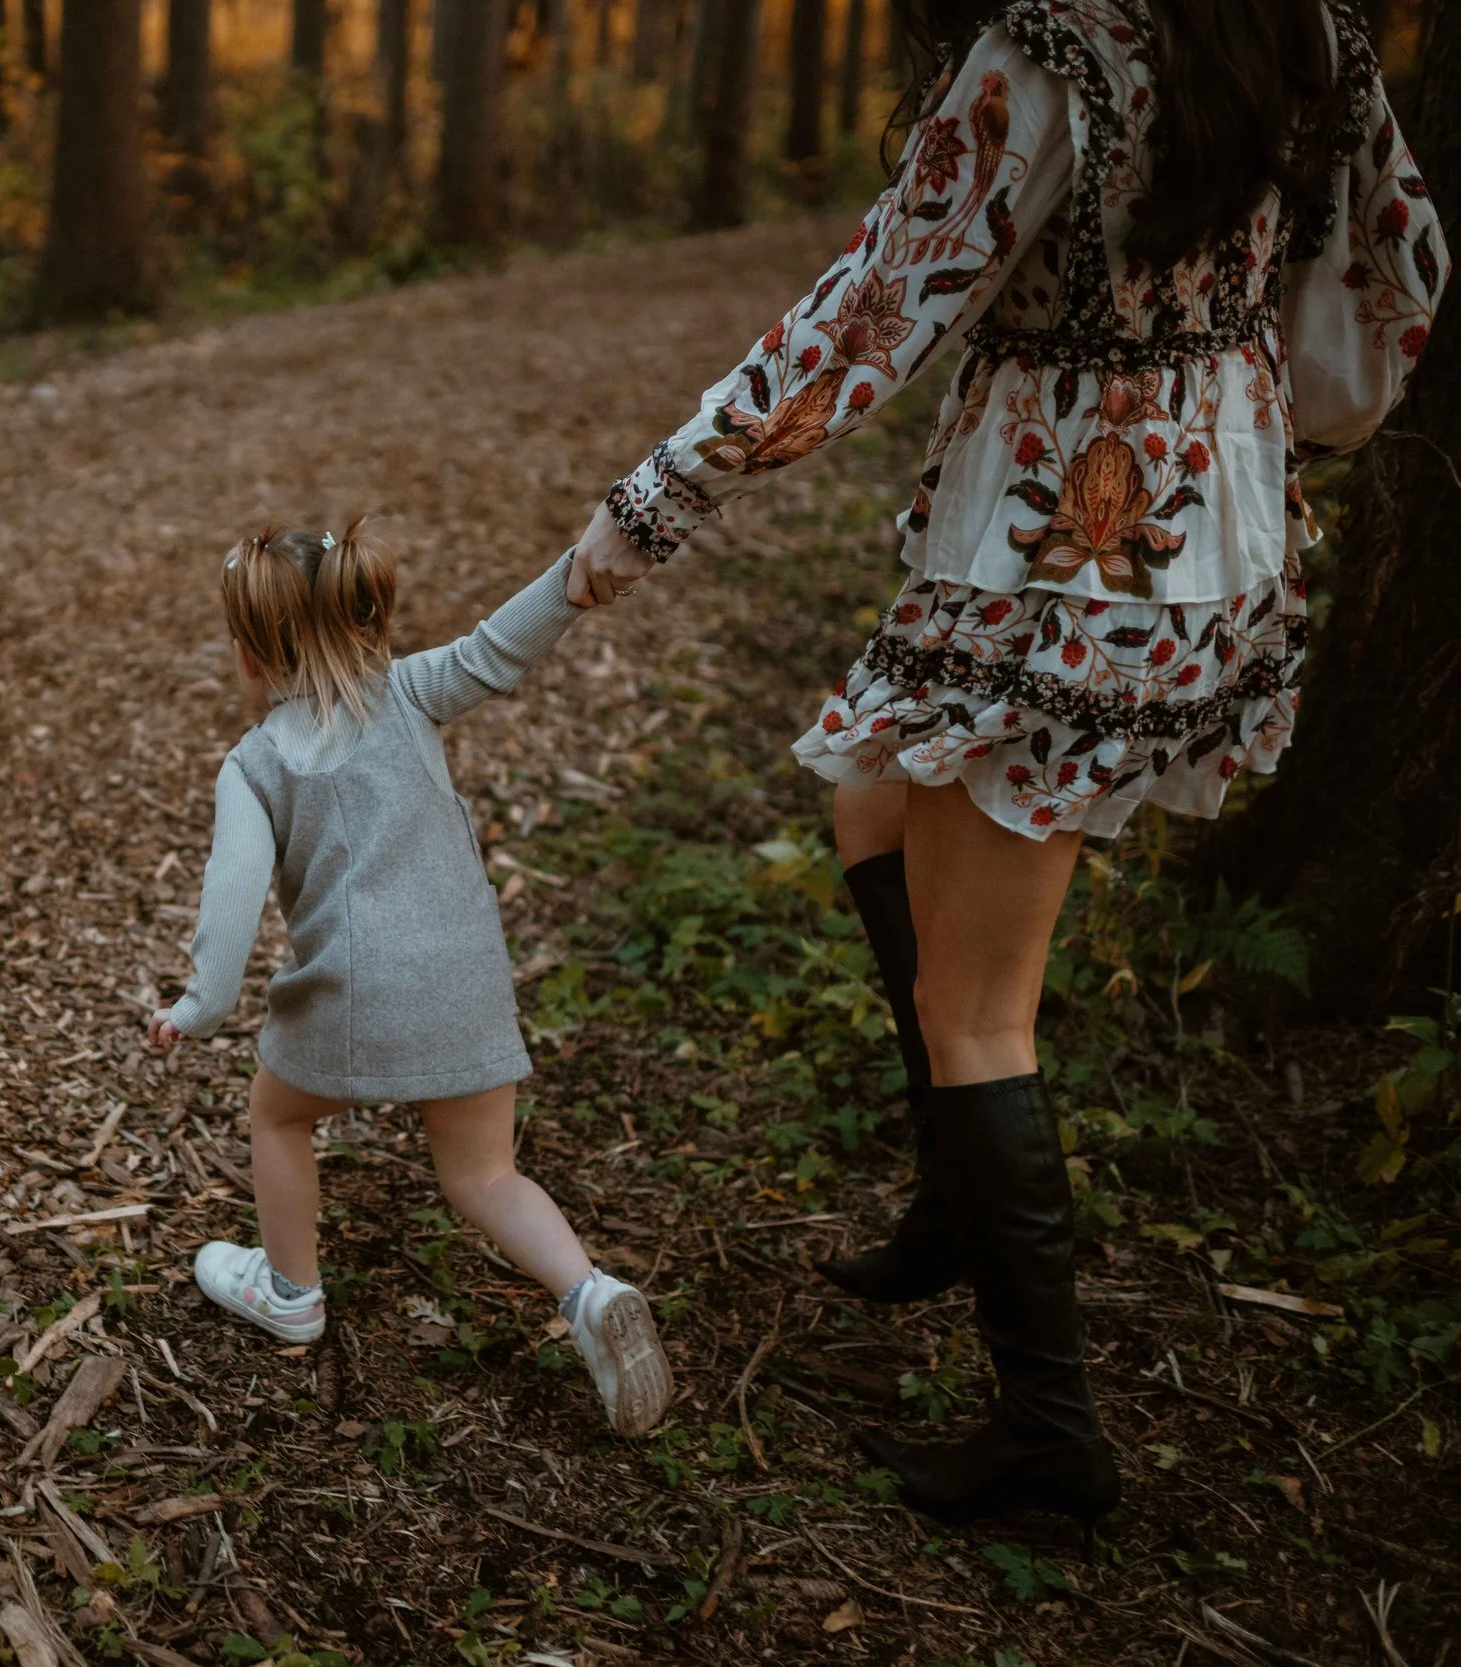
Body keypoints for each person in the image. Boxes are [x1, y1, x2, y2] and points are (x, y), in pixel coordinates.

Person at [568, 0, 1442, 1524]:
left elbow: (869, 312)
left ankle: (1051, 1434)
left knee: (980, 1010)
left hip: (1057, 551)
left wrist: (657, 497)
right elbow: (1401, 264)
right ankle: (956, 1191)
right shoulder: (1305, 28)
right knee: (871, 798)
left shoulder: (1051, 56)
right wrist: (1268, 402)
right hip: (1209, 526)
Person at [145, 521, 673, 1438]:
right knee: (485, 1173)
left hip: (349, 1005)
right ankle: (591, 1292)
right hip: (465, 987)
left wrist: (198, 1005)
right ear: (362, 614)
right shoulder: (415, 691)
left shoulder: (254, 763)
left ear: (246, 652)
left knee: (278, 1113)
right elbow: (502, 642)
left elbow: (228, 916)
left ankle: (290, 1291)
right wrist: (574, 578)